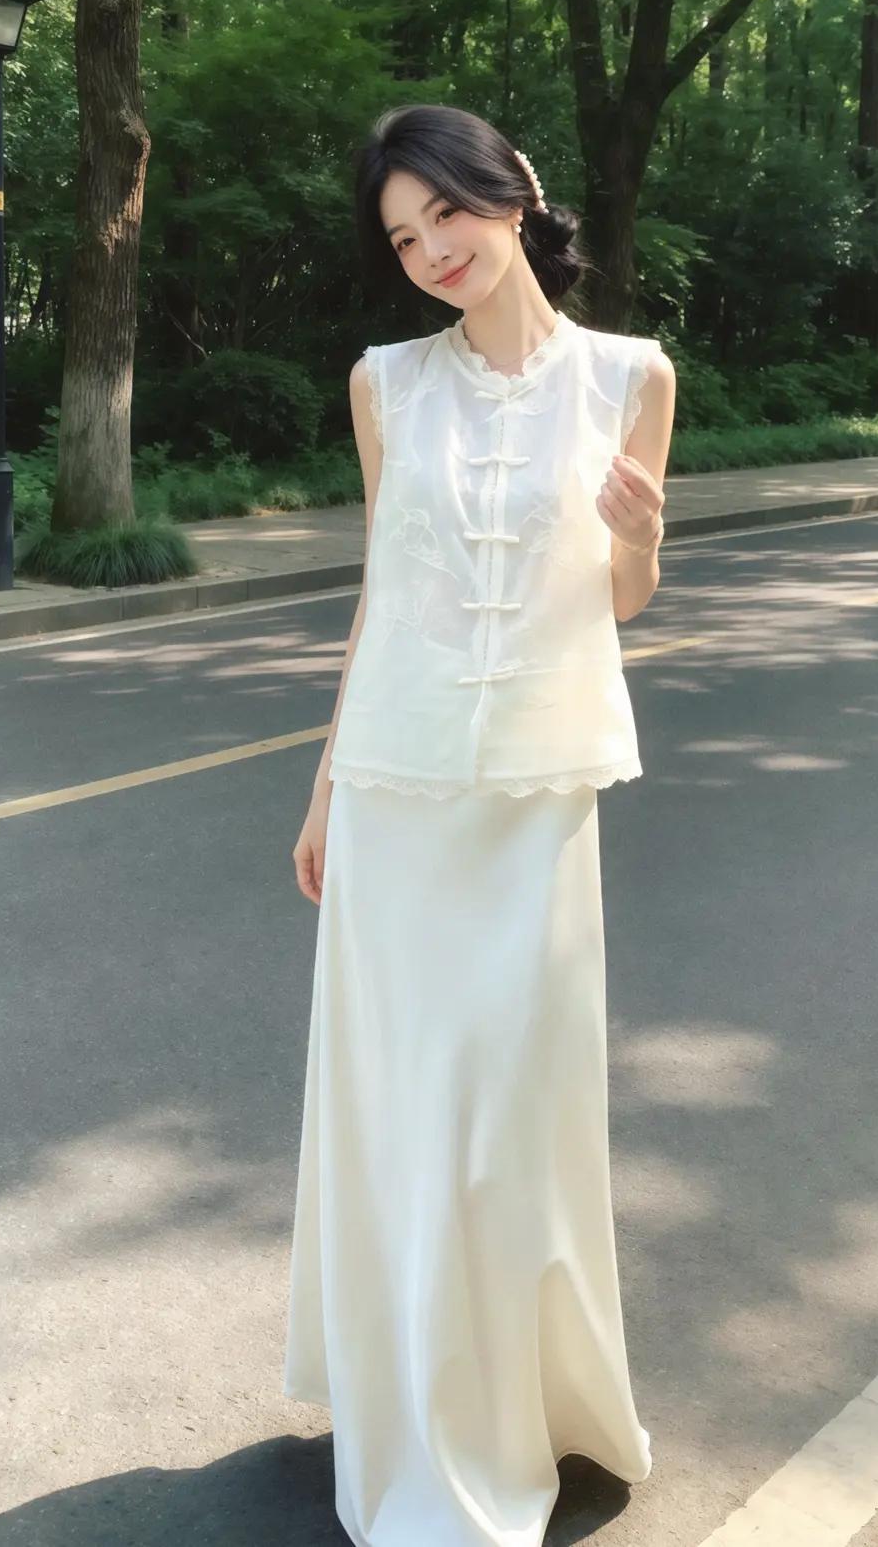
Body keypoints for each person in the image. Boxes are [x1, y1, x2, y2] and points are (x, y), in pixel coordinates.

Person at [282, 102, 675, 1547]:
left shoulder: (633, 376)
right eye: (403, 237)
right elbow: (382, 593)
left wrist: (640, 533)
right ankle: (420, 1418)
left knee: (512, 1117)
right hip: (398, 797)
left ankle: (527, 1406)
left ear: (512, 195)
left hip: (535, 799)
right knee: (408, 1109)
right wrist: (326, 785)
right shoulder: (385, 383)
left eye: (445, 212)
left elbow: (624, 595)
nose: (431, 250)